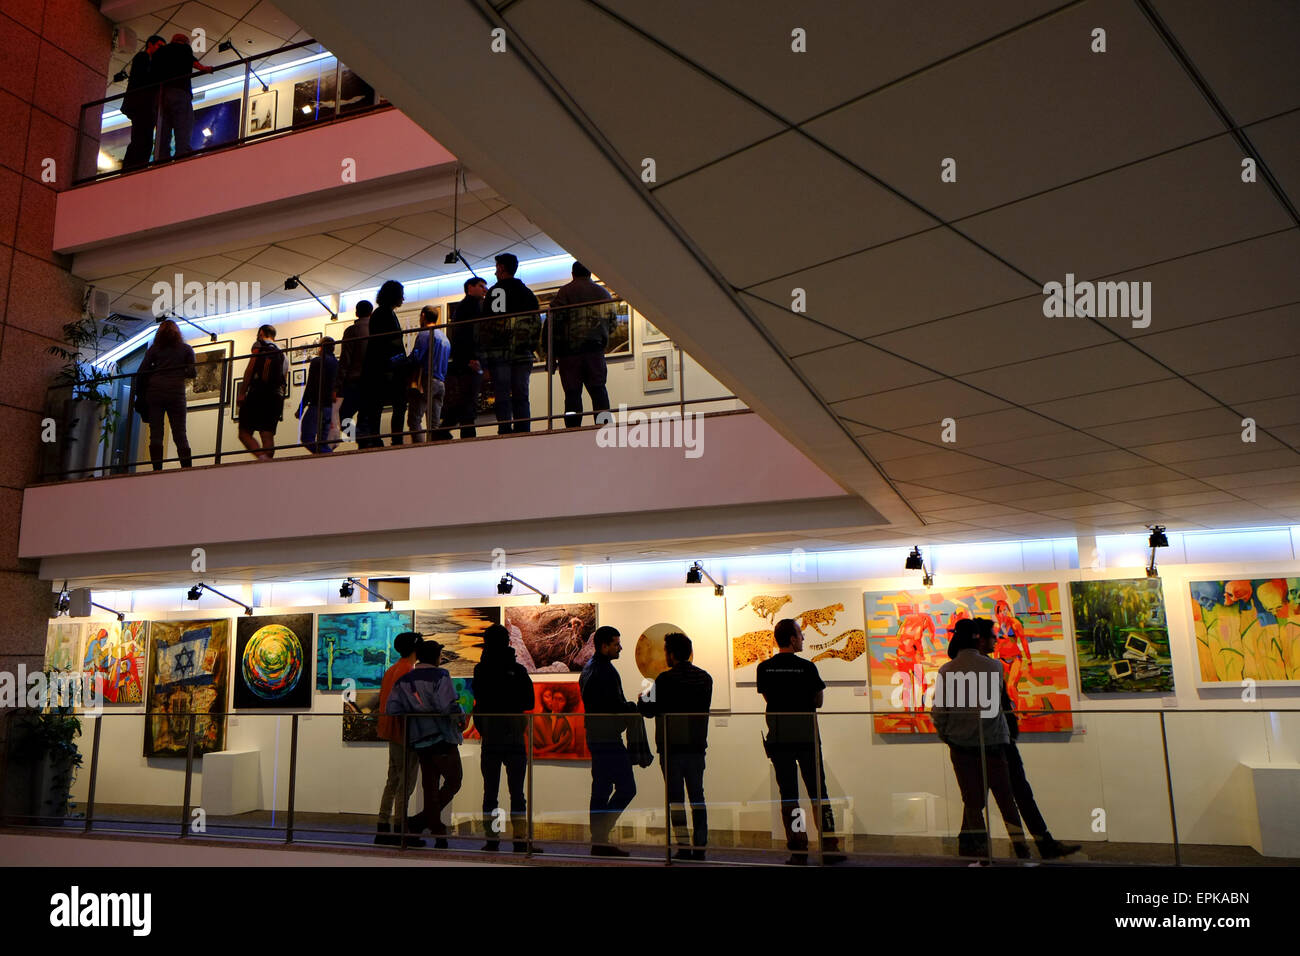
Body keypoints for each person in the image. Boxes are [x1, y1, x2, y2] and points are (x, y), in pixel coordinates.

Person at [970, 618, 1081, 860]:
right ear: (980, 639)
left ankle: (1038, 845)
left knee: (1009, 795)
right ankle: (1029, 847)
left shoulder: (986, 666)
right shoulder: (985, 668)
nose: (995, 639)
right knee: (1005, 797)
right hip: (995, 743)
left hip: (998, 740)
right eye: (991, 636)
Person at [932, 618, 1029, 861]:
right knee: (1007, 803)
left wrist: (947, 736)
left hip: (961, 748)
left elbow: (939, 712)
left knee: (973, 805)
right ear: (978, 638)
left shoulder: (946, 670)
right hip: (993, 745)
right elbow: (996, 708)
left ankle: (982, 856)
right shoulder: (994, 667)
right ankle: (1022, 852)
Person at [757, 619, 845, 865]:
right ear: (793, 639)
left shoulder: (764, 668)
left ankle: (798, 848)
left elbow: (768, 698)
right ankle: (829, 846)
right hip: (806, 737)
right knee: (820, 793)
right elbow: (818, 701)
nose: (804, 638)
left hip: (780, 738)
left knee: (789, 797)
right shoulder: (807, 668)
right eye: (800, 634)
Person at [636, 631, 712, 859]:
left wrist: (643, 698)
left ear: (671, 654)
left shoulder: (665, 680)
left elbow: (648, 711)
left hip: (671, 748)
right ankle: (700, 846)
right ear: (688, 652)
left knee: (675, 799)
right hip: (697, 746)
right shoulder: (705, 678)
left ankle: (683, 845)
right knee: (698, 796)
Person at [385, 639, 466, 849]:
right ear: (436, 657)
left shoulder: (406, 679)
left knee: (429, 786)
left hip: (418, 741)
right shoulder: (441, 676)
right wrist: (460, 717)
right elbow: (446, 705)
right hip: (441, 737)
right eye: (440, 655)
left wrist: (415, 712)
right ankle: (418, 822)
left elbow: (392, 708)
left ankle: (436, 831)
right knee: (454, 780)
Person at [472, 623, 535, 852]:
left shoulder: (480, 670)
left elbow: (481, 698)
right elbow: (529, 702)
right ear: (508, 641)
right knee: (517, 793)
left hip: (490, 735)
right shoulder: (517, 670)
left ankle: (492, 839)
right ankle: (519, 839)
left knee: (491, 793)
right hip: (514, 735)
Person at [579, 625, 640, 856]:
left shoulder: (589, 669)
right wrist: (631, 708)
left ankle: (599, 840)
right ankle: (601, 835)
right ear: (604, 646)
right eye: (616, 644)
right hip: (608, 737)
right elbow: (612, 705)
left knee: (601, 788)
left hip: (596, 736)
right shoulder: (604, 671)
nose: (620, 648)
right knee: (627, 787)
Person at [548, 262, 614, 427]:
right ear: (590, 273)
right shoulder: (603, 293)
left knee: (572, 394)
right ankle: (604, 426)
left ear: (573, 274)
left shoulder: (565, 292)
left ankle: (572, 429)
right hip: (595, 350)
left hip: (569, 353)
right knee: (599, 391)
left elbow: (553, 321)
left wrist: (552, 353)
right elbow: (612, 323)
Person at [482, 254, 540, 434]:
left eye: (497, 267)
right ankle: (523, 428)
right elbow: (537, 323)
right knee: (521, 393)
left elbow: (486, 326)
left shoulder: (494, 292)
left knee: (502, 393)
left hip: (499, 354)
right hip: (523, 353)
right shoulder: (527, 293)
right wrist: (531, 347)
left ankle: (505, 428)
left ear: (501, 268)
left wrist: (486, 356)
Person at [374, 631, 422, 847]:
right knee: (406, 783)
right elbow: (412, 703)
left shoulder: (392, 669)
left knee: (392, 780)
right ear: (415, 648)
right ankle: (400, 829)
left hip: (390, 731)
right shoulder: (408, 670)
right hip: (404, 733)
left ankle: (383, 826)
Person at [136, 318, 196, 470]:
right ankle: (187, 468)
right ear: (178, 333)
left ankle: (157, 469)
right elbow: (192, 372)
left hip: (155, 392)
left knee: (156, 432)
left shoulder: (154, 349)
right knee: (180, 432)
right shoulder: (186, 349)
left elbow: (142, 372)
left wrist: (140, 393)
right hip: (176, 393)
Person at [357, 280, 407, 448]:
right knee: (393, 404)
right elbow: (387, 342)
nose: (403, 298)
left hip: (382, 368)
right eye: (401, 295)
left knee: (379, 406)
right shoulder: (384, 314)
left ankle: (377, 438)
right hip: (385, 369)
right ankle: (390, 439)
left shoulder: (382, 313)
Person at [150, 33, 213, 161]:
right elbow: (194, 62)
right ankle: (181, 157)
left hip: (161, 94)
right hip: (179, 92)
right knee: (183, 126)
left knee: (163, 130)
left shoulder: (161, 51)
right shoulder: (184, 49)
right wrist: (205, 68)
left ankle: (161, 160)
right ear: (185, 43)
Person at [436, 278, 486, 440]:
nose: (485, 289)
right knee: (468, 402)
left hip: (465, 361)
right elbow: (467, 335)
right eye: (481, 286)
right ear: (470, 288)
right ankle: (456, 433)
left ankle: (445, 430)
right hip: (469, 362)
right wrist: (472, 359)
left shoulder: (464, 307)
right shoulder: (470, 307)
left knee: (465, 401)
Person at [236, 325, 286, 460]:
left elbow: (251, 368)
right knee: (267, 434)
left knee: (244, 432)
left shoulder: (260, 344)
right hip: (275, 396)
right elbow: (283, 378)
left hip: (257, 393)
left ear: (261, 333)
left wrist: (242, 392)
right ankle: (268, 463)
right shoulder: (283, 353)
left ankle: (263, 459)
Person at [120, 35, 166, 169]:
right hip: (141, 104)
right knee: (141, 137)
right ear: (150, 45)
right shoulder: (143, 58)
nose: (160, 49)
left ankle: (136, 166)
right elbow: (143, 78)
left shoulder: (148, 60)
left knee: (144, 138)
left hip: (144, 105)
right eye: (159, 46)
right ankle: (133, 167)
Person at [404, 306, 449, 443]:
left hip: (426, 381)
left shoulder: (425, 334)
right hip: (441, 383)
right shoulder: (444, 338)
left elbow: (416, 357)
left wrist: (399, 361)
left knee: (414, 419)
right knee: (434, 424)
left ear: (423, 315)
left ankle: (420, 450)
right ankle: (434, 451)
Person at [296, 337, 338, 453]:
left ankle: (324, 455)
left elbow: (310, 386)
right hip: (330, 407)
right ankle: (325, 456)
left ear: (321, 347)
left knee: (307, 437)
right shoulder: (336, 364)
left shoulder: (317, 362)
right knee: (323, 440)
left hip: (316, 405)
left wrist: (301, 406)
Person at [337, 300, 371, 437]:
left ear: (356, 313)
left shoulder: (351, 331)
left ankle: (357, 438)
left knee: (343, 416)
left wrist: (339, 384)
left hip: (354, 381)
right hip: (372, 381)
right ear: (371, 312)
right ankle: (366, 442)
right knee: (366, 418)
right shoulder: (376, 329)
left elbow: (345, 360)